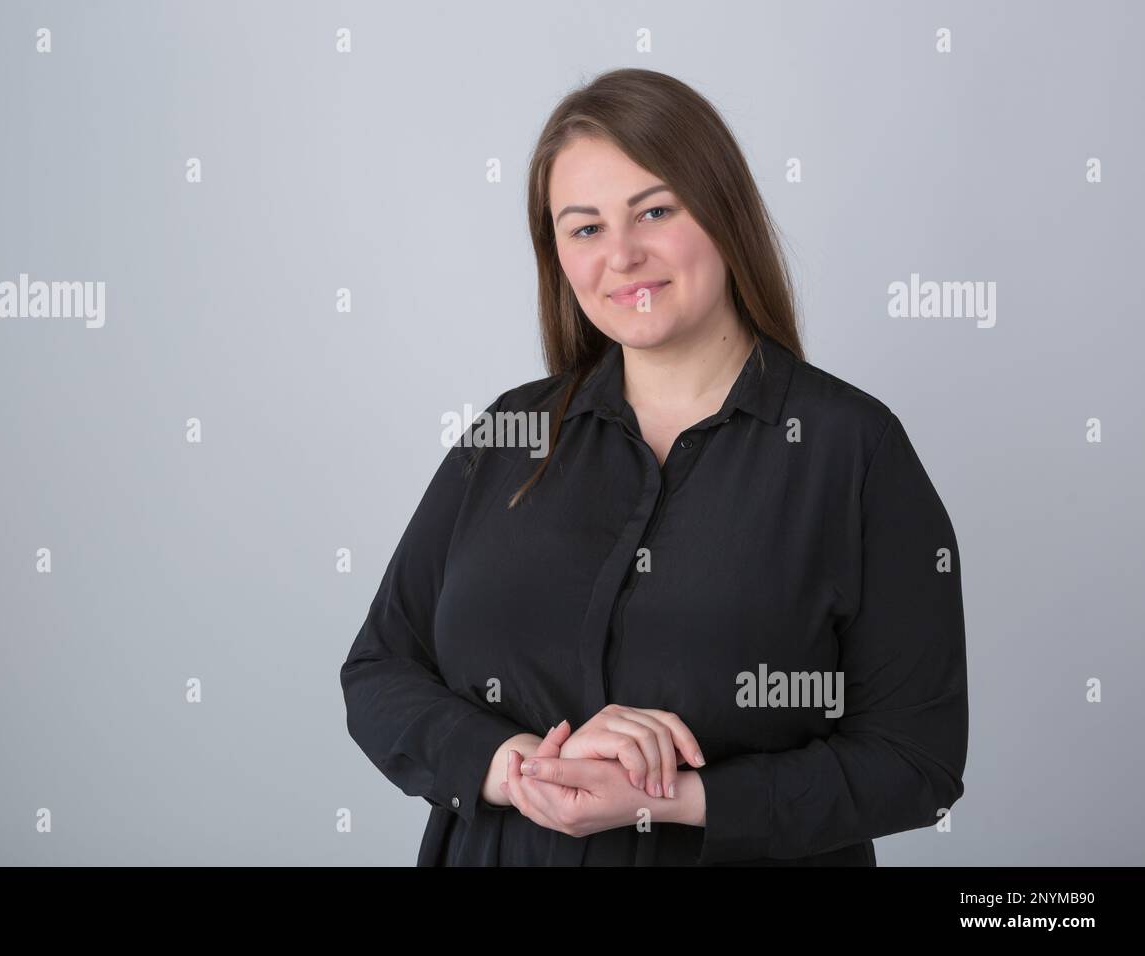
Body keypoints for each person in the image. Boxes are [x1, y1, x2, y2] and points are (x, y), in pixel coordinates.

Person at [339, 68, 968, 866]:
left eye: (656, 211)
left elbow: (918, 762)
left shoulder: (855, 451)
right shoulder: (510, 432)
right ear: (557, 254)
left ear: (724, 213)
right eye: (585, 228)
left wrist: (670, 798)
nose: (623, 256)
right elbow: (379, 670)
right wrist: (519, 769)